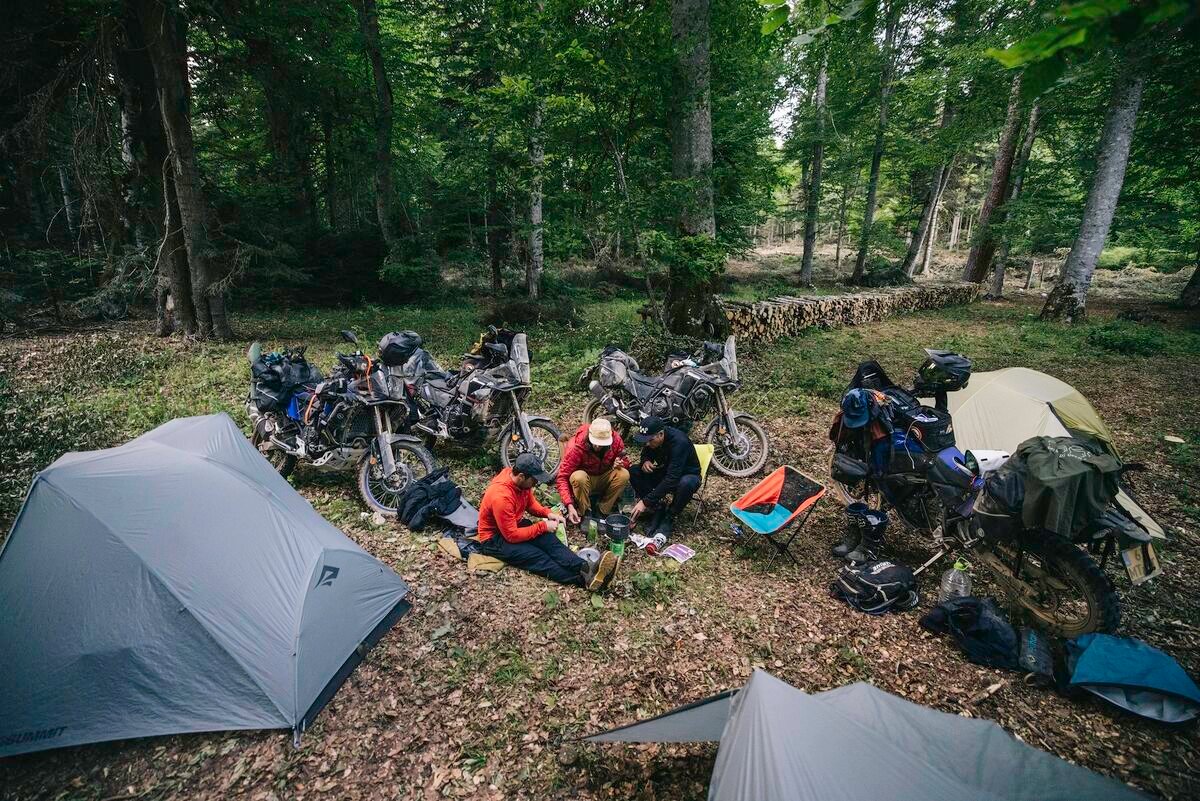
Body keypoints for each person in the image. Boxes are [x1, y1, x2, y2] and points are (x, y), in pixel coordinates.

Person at [478, 453, 618, 590]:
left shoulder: (519, 481)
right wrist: (543, 526)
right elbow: (511, 536)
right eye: (534, 480)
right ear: (521, 476)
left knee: (548, 540)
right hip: (494, 539)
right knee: (537, 556)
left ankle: (586, 567)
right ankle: (586, 581)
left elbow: (530, 503)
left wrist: (549, 514)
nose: (536, 483)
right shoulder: (501, 497)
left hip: (513, 525)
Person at [628, 416, 701, 538]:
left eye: (650, 440)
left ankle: (670, 516)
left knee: (686, 483)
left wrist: (644, 502)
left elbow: (672, 479)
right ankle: (656, 507)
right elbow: (646, 453)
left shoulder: (679, 442)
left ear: (661, 434)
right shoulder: (653, 438)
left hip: (686, 475)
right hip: (666, 471)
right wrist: (645, 461)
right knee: (634, 470)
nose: (647, 443)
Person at [556, 418, 631, 527]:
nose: (597, 446)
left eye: (601, 444)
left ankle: (602, 510)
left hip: (604, 476)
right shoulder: (577, 446)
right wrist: (569, 504)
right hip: (584, 481)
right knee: (578, 477)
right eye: (595, 442)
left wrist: (621, 463)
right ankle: (586, 511)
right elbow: (562, 477)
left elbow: (625, 460)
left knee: (623, 474)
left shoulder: (616, 440)